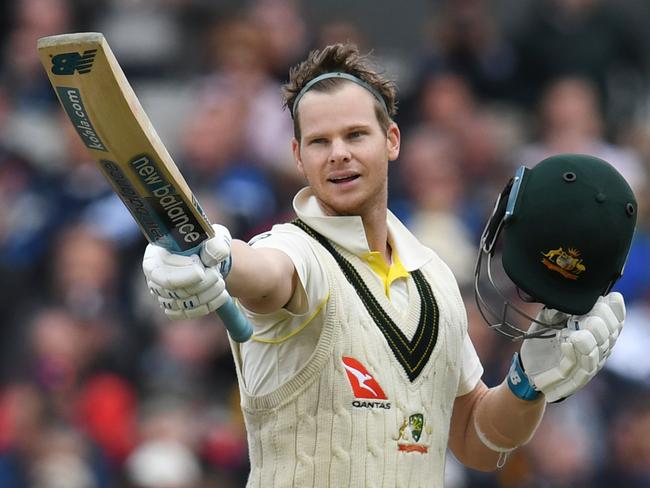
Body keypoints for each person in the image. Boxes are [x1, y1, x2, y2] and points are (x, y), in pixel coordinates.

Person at [141, 43, 628, 487]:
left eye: (355, 134)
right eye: (319, 141)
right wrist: (221, 258)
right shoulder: (294, 251)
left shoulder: (435, 277)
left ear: (391, 140)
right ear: (297, 155)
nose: (339, 154)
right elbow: (266, 274)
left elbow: (474, 441)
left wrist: (527, 384)